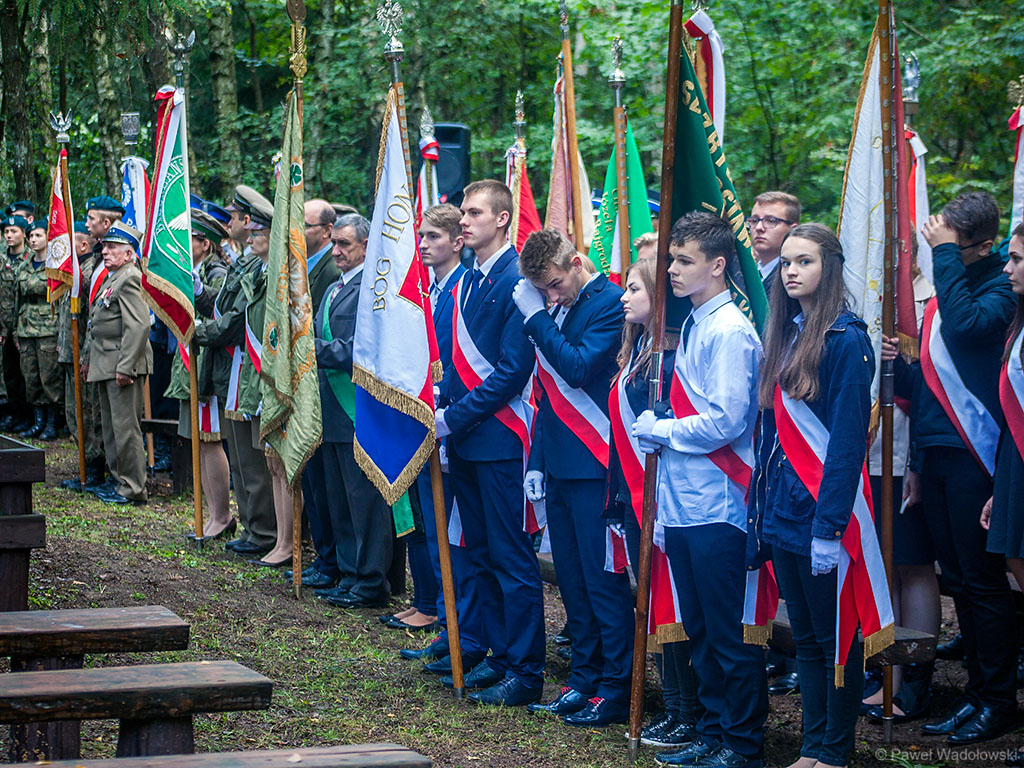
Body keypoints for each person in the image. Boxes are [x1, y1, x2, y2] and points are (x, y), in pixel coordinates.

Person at [631, 213, 766, 768]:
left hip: (720, 501)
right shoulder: (694, 323)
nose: (672, 270)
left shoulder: (729, 330)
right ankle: (712, 731)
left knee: (726, 634)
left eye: (684, 261)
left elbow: (727, 421)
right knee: (703, 630)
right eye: (671, 259)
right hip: (686, 502)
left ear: (717, 265)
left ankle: (742, 743)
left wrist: (662, 429)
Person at [889, 192, 1017, 744]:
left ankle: (998, 699)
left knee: (984, 584)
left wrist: (943, 257)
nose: (940, 253)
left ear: (982, 247)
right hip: (937, 452)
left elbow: (966, 329)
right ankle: (975, 694)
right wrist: (916, 459)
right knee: (959, 582)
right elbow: (930, 389)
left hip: (975, 455)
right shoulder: (955, 285)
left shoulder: (998, 291)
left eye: (949, 246)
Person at [750, 223, 877, 768]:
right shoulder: (788, 332)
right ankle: (811, 747)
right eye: (786, 262)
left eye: (805, 261)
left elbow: (847, 444)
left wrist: (829, 528)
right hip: (784, 507)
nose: (792, 271)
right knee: (804, 639)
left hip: (822, 513)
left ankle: (835, 750)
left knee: (835, 639)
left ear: (830, 268)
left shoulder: (846, 339)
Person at [513, 228, 633, 726]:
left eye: (556, 284)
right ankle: (583, 678)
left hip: (597, 463)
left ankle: (615, 686)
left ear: (576, 263)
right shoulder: (557, 308)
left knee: (602, 580)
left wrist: (538, 318)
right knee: (572, 581)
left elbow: (578, 369)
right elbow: (547, 395)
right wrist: (538, 461)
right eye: (543, 291)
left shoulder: (609, 303)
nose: (552, 295)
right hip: (561, 463)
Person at [435, 179, 544, 706]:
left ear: (503, 219)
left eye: (474, 213)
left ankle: (524, 670)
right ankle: (497, 657)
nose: (464, 221)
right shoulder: (470, 279)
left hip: (500, 440)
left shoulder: (517, 277)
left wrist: (452, 419)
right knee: (477, 552)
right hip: (467, 440)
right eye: (463, 212)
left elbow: (511, 371)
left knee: (511, 558)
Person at [604, 257, 702, 749]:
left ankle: (688, 711)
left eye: (635, 289)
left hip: (662, 498)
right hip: (632, 495)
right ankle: (676, 705)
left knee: (671, 605)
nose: (624, 298)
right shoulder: (638, 350)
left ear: (660, 298)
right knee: (651, 602)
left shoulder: (669, 358)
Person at [863, 245, 939, 723]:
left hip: (905, 451)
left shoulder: (924, 303)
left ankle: (916, 677)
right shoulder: (864, 295)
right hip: (868, 453)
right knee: (882, 563)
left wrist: (902, 359)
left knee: (911, 561)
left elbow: (930, 386)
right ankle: (885, 669)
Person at [388, 204, 468, 633]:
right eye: (420, 236)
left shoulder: (460, 289)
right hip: (422, 419)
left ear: (457, 241)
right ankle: (435, 605)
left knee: (446, 524)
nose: (422, 244)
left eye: (433, 236)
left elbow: (459, 360)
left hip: (449, 421)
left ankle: (448, 613)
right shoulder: (428, 290)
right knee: (426, 519)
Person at [313, 213, 395, 605]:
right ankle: (348, 573)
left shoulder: (373, 289)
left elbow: (359, 350)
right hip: (330, 409)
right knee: (339, 500)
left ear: (366, 245)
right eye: (334, 243)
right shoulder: (333, 288)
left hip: (357, 409)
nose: (336, 251)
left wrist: (309, 349)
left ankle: (371, 580)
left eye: (345, 244)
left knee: (364, 502)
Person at [196, 186, 277, 556]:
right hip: (235, 367)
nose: (228, 222)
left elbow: (234, 320)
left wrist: (198, 333)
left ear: (249, 221)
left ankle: (263, 531)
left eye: (233, 216)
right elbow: (222, 303)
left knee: (254, 457)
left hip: (247, 364)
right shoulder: (244, 261)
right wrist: (198, 292)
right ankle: (251, 526)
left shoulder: (261, 264)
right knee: (241, 454)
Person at [980, 222, 1024, 767]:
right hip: (1014, 462)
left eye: (1016, 259)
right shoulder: (1019, 320)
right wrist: (1001, 486)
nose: (1007, 268)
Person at [167, 208, 234, 541]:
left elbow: (219, 313)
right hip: (192, 364)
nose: (182, 245)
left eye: (188, 239)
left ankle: (222, 515)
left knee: (210, 440)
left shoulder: (217, 272)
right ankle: (213, 514)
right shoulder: (193, 270)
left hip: (207, 367)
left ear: (205, 244)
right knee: (200, 442)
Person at [81, 223, 152, 505]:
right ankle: (119, 481)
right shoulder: (115, 278)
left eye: (112, 248)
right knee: (111, 428)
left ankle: (133, 488)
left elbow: (138, 326)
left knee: (125, 429)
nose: (105, 252)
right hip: (107, 363)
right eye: (105, 247)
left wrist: (126, 366)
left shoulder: (130, 278)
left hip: (122, 365)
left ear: (129, 254)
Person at [59, 222, 104, 490]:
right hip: (69, 351)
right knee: (73, 412)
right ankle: (85, 465)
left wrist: (83, 354)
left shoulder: (87, 273)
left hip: (83, 353)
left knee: (87, 415)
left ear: (84, 245)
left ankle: (94, 469)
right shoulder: (73, 271)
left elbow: (88, 319)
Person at [12, 220, 61, 440]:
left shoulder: (55, 267)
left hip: (48, 328)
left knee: (49, 376)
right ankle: (38, 419)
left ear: (48, 238)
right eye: (31, 236)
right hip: (25, 327)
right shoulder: (24, 266)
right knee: (30, 376)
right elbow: (17, 300)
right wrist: (15, 330)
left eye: (38, 236)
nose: (33, 240)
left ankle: (52, 421)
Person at [0, 214, 29, 431]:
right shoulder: (2, 259)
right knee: (8, 370)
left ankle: (27, 414)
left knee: (25, 371)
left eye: (14, 231)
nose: (9, 235)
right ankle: (11, 412)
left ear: (23, 234)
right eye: (6, 232)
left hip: (27, 323)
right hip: (4, 325)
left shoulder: (30, 258)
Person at [747, 191, 800, 297]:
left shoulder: (793, 278)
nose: (758, 228)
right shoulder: (747, 274)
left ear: (792, 230)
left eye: (771, 221)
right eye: (754, 220)